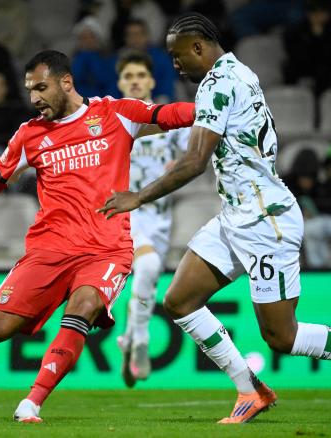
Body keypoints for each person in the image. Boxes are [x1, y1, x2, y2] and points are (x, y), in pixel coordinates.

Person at [99, 13, 331, 424]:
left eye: (179, 56)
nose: (175, 65)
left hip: (268, 221)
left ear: (198, 47)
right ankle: (250, 390)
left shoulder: (216, 84)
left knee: (281, 337)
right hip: (237, 215)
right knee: (179, 300)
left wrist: (137, 197)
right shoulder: (239, 70)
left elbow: (196, 161)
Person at [0, 50, 195, 423]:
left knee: (84, 306)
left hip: (106, 249)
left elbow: (170, 115)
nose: (34, 97)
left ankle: (31, 402)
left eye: (41, 87)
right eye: (29, 90)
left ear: (66, 82)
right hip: (49, 249)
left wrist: (216, 110)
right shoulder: (30, 135)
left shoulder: (115, 113)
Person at [114, 51, 189, 386]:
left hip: (159, 217)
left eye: (140, 75)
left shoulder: (168, 119)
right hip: (124, 215)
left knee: (147, 276)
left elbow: (198, 142)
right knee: (147, 268)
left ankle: (128, 339)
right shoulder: (111, 118)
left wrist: (184, 161)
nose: (134, 81)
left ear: (151, 81)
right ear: (119, 82)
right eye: (128, 76)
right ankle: (141, 339)